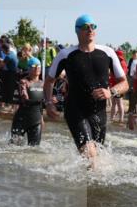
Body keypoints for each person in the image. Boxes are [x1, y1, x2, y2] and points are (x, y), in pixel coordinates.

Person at [45, 14, 128, 164]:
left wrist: (111, 92)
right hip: (75, 111)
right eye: (85, 27)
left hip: (99, 113)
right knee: (91, 156)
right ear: (77, 31)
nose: (90, 29)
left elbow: (124, 83)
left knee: (97, 158)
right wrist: (49, 103)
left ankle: (85, 184)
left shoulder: (108, 53)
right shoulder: (66, 55)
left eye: (92, 26)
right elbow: (49, 81)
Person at [11, 45, 44, 146]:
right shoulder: (24, 82)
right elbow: (25, 100)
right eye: (34, 67)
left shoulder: (43, 83)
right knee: (13, 148)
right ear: (29, 68)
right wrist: (40, 102)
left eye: (38, 66)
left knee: (34, 150)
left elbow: (41, 106)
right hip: (21, 119)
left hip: (36, 120)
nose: (37, 69)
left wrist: (42, 118)